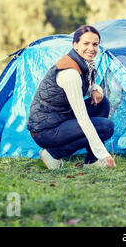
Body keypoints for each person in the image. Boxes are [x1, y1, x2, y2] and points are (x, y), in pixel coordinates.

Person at [27, 25, 116, 169]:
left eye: (95, 44)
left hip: (60, 118)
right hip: (44, 130)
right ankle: (53, 154)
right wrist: (103, 154)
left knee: (101, 103)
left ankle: (92, 161)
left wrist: (95, 89)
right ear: (75, 45)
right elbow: (82, 119)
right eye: (85, 44)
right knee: (107, 127)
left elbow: (87, 85)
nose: (91, 48)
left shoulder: (81, 63)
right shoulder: (70, 73)